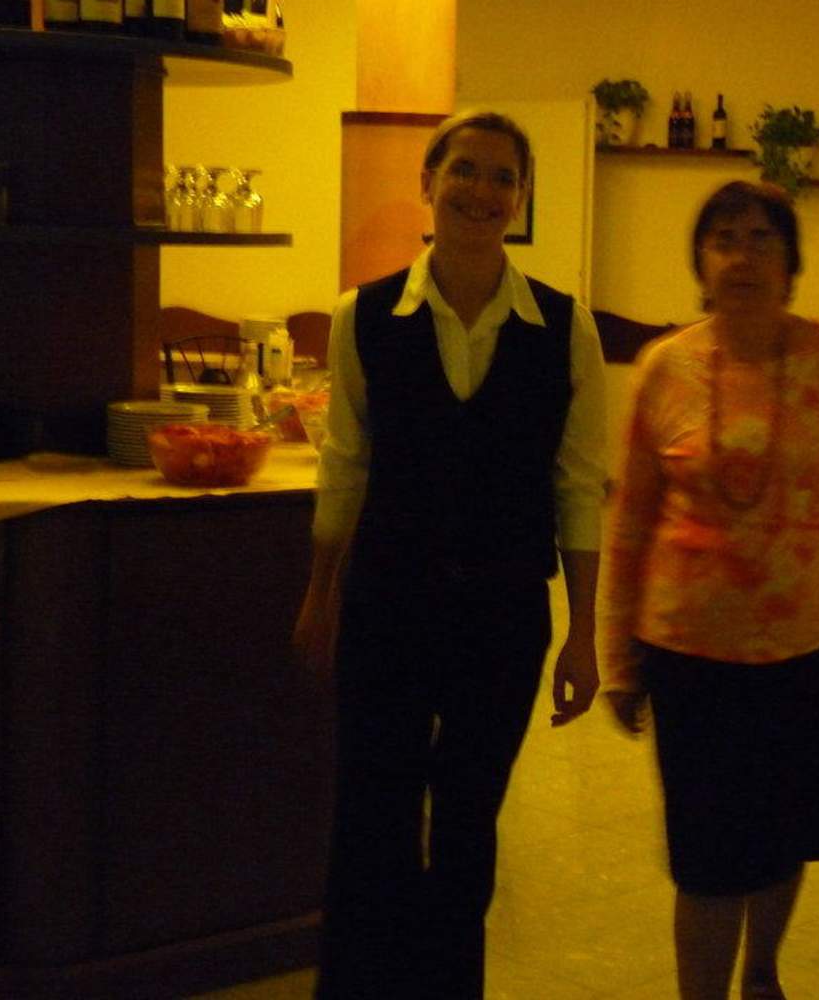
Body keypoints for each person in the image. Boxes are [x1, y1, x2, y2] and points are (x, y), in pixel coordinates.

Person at [293, 111, 607, 998]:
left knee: (469, 822)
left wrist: (584, 633)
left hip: (503, 616)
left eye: (503, 177)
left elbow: (579, 489)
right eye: (464, 169)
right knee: (373, 817)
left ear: (523, 198)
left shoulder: (565, 327)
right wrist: (320, 593)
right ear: (428, 183)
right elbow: (345, 465)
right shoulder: (363, 316)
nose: (482, 190)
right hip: (386, 603)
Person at [600, 180, 819, 1000]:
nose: (743, 256)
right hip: (691, 652)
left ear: (791, 263)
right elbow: (629, 523)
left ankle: (763, 976)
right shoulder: (664, 368)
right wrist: (616, 658)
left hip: (813, 647)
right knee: (707, 857)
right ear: (700, 263)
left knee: (786, 835)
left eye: (763, 238)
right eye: (724, 239)